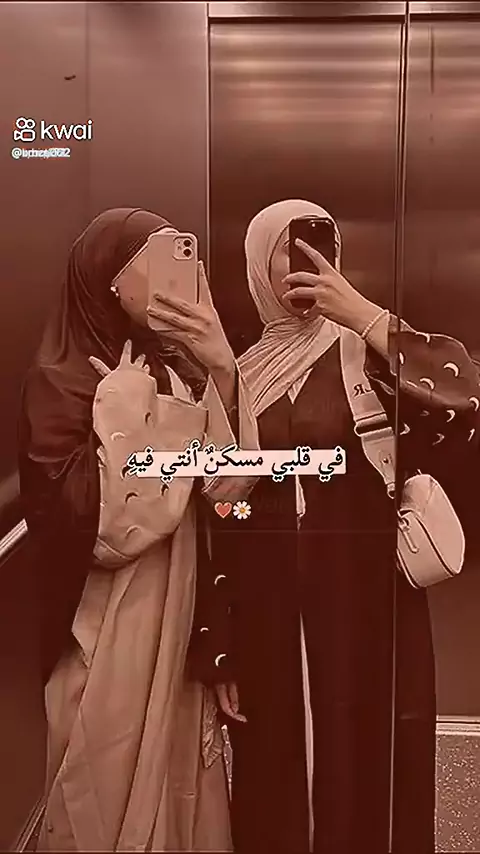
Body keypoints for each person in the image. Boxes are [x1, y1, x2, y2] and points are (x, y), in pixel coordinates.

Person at [188, 199, 480, 854]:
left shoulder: (368, 356)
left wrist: (366, 316)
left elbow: (463, 406)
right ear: (258, 266)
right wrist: (221, 640)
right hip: (269, 616)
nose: (308, 264)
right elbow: (220, 513)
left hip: (368, 608)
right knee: (275, 769)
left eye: (322, 248)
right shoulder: (240, 372)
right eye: (288, 250)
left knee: (371, 762)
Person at [18, 207, 256, 852]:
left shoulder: (174, 371)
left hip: (179, 620)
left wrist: (223, 369)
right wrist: (128, 407)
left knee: (176, 790)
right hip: (106, 634)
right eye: (147, 263)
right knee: (102, 789)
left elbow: (231, 489)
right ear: (108, 278)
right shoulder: (60, 383)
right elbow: (107, 531)